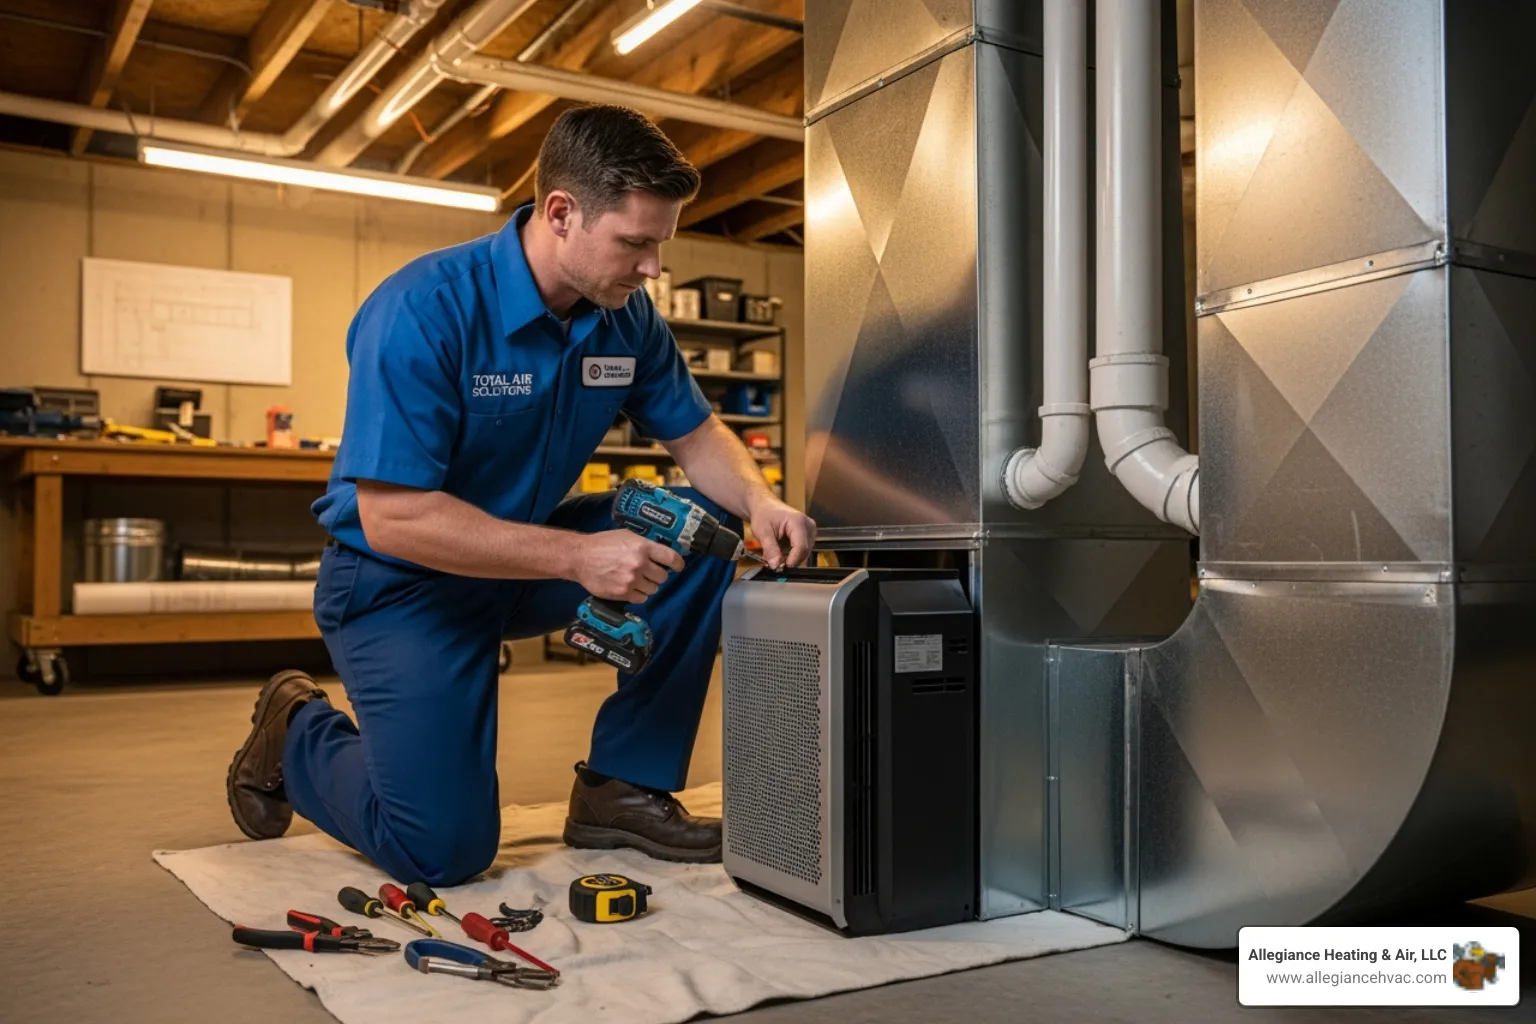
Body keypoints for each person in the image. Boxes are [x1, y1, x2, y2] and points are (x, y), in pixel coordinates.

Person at [225, 104, 817, 886]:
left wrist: (761, 502)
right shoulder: (425, 310)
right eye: (635, 243)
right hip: (401, 585)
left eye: (659, 245)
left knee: (700, 528)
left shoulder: (626, 320)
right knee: (442, 850)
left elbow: (698, 433)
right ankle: (294, 728)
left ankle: (621, 787)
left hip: (520, 564)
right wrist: (577, 556)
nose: (651, 270)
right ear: (562, 213)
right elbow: (393, 515)